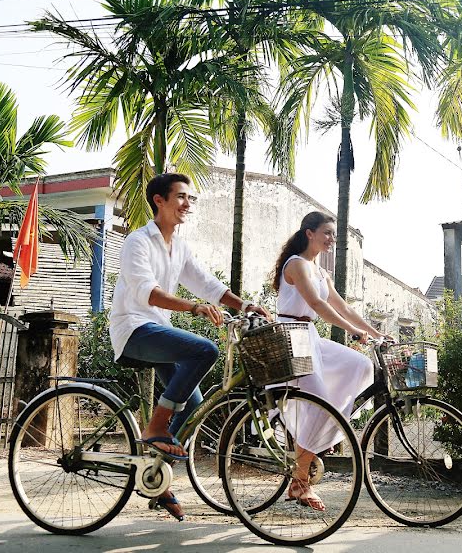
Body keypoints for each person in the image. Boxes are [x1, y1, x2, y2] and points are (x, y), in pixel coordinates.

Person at [109, 173, 272, 521]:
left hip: (157, 330)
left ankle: (155, 478)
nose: (187, 205)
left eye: (190, 199)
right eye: (181, 197)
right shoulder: (138, 241)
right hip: (134, 329)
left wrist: (244, 306)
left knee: (193, 407)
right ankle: (154, 428)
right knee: (204, 350)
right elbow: (147, 293)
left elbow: (206, 283)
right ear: (159, 201)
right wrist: (194, 307)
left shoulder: (179, 247)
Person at [272, 211, 382, 511]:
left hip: (309, 337)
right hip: (291, 336)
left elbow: (342, 306)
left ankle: (313, 448)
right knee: (322, 403)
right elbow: (317, 304)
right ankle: (300, 480)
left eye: (334, 234)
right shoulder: (296, 264)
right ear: (310, 233)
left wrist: (375, 333)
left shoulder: (321, 272)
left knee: (361, 366)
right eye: (327, 233)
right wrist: (353, 332)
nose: (332, 239)